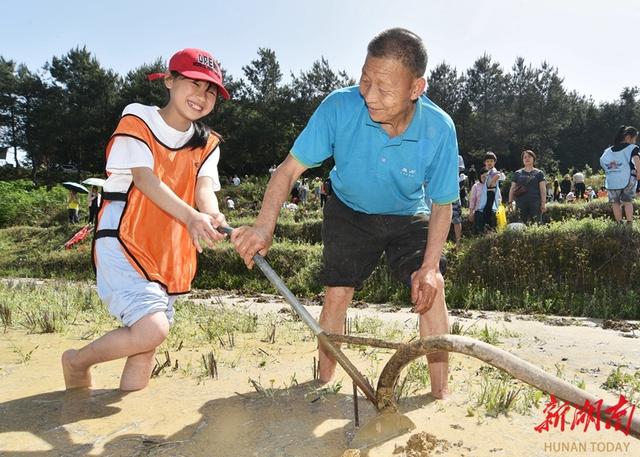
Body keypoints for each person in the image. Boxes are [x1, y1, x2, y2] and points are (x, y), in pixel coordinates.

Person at [230, 28, 457, 399]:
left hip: (407, 212)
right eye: (365, 80)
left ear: (416, 88)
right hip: (349, 209)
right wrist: (263, 228)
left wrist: (429, 267)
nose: (368, 95)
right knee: (337, 291)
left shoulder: (439, 128)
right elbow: (287, 170)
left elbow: (443, 203)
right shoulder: (339, 107)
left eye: (383, 89)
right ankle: (323, 382)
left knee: (432, 287)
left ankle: (439, 395)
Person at [61, 48, 229, 391]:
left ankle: (131, 421)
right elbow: (144, 178)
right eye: (193, 84)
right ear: (169, 80)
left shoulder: (207, 143)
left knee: (146, 344)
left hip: (168, 248)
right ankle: (77, 362)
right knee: (152, 328)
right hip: (125, 237)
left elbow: (204, 187)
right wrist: (192, 216)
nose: (201, 96)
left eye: (210, 90)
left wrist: (211, 214)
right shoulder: (137, 119)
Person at [600, 125, 640, 223]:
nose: (635, 142)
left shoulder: (608, 150)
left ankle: (619, 222)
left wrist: (610, 172)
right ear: (628, 138)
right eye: (634, 139)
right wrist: (639, 172)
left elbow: (602, 161)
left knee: (615, 202)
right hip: (628, 179)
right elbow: (637, 160)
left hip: (612, 180)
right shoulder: (632, 148)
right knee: (627, 201)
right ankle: (629, 222)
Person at [507, 150, 547, 224]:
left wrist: (543, 203)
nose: (527, 159)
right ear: (522, 160)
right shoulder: (517, 173)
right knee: (521, 224)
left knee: (536, 224)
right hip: (520, 202)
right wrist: (510, 203)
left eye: (529, 157)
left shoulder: (539, 173)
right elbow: (512, 188)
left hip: (535, 202)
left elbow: (543, 189)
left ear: (533, 159)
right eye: (525, 157)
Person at [468, 167, 488, 234]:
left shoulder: (493, 185)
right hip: (479, 213)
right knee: (479, 233)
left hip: (490, 212)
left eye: (487, 177)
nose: (485, 178)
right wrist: (471, 213)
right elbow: (472, 200)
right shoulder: (476, 186)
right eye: (483, 177)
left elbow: (499, 198)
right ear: (480, 176)